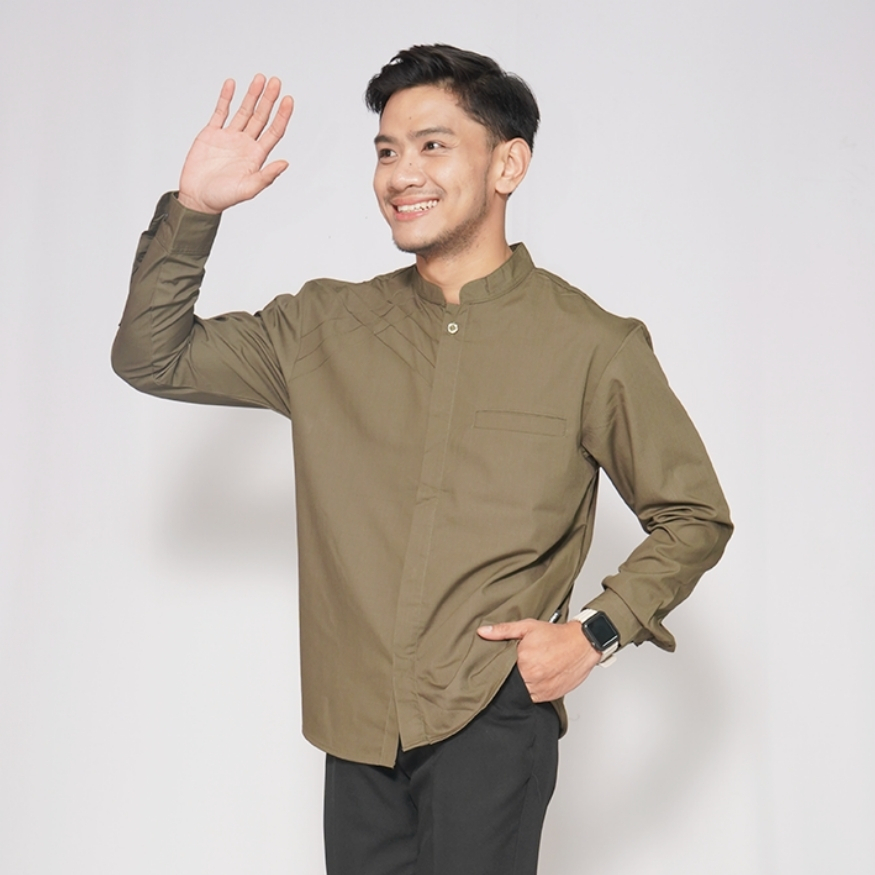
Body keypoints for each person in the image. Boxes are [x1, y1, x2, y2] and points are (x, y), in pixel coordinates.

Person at [112, 44, 732, 875]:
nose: (400, 174)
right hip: (355, 726)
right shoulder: (322, 327)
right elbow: (151, 356)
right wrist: (194, 208)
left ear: (507, 164)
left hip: (490, 714)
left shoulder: (591, 345)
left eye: (432, 145)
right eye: (385, 150)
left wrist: (594, 632)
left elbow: (693, 514)